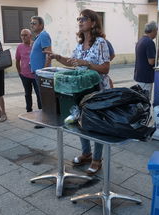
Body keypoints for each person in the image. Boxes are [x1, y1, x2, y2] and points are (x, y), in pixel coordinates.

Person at [47, 9, 111, 175]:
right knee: (80, 121)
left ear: (94, 23)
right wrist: (58, 57)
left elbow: (105, 68)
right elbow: (73, 62)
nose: (80, 21)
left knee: (96, 124)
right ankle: (86, 153)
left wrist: (87, 64)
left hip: (98, 90)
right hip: (80, 90)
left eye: (84, 18)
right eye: (79, 19)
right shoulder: (79, 44)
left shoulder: (101, 43)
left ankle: (97, 159)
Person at [30, 16, 51, 129]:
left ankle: (46, 120)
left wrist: (45, 71)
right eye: (31, 23)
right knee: (42, 96)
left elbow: (48, 53)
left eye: (34, 23)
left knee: (44, 97)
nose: (32, 25)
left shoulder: (43, 35)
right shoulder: (38, 37)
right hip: (38, 72)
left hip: (42, 73)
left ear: (41, 25)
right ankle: (45, 118)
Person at [134, 21, 159, 99]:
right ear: (153, 30)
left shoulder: (140, 40)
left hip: (139, 75)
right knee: (145, 100)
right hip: (146, 77)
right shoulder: (149, 42)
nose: (156, 33)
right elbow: (151, 61)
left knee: (140, 99)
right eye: (156, 31)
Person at [16, 29, 42, 112]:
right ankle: (29, 110)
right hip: (25, 75)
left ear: (30, 36)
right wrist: (20, 72)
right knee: (27, 93)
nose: (23, 37)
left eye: (25, 35)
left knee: (39, 94)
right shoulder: (19, 47)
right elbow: (17, 60)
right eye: (22, 35)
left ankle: (41, 110)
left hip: (36, 75)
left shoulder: (35, 45)